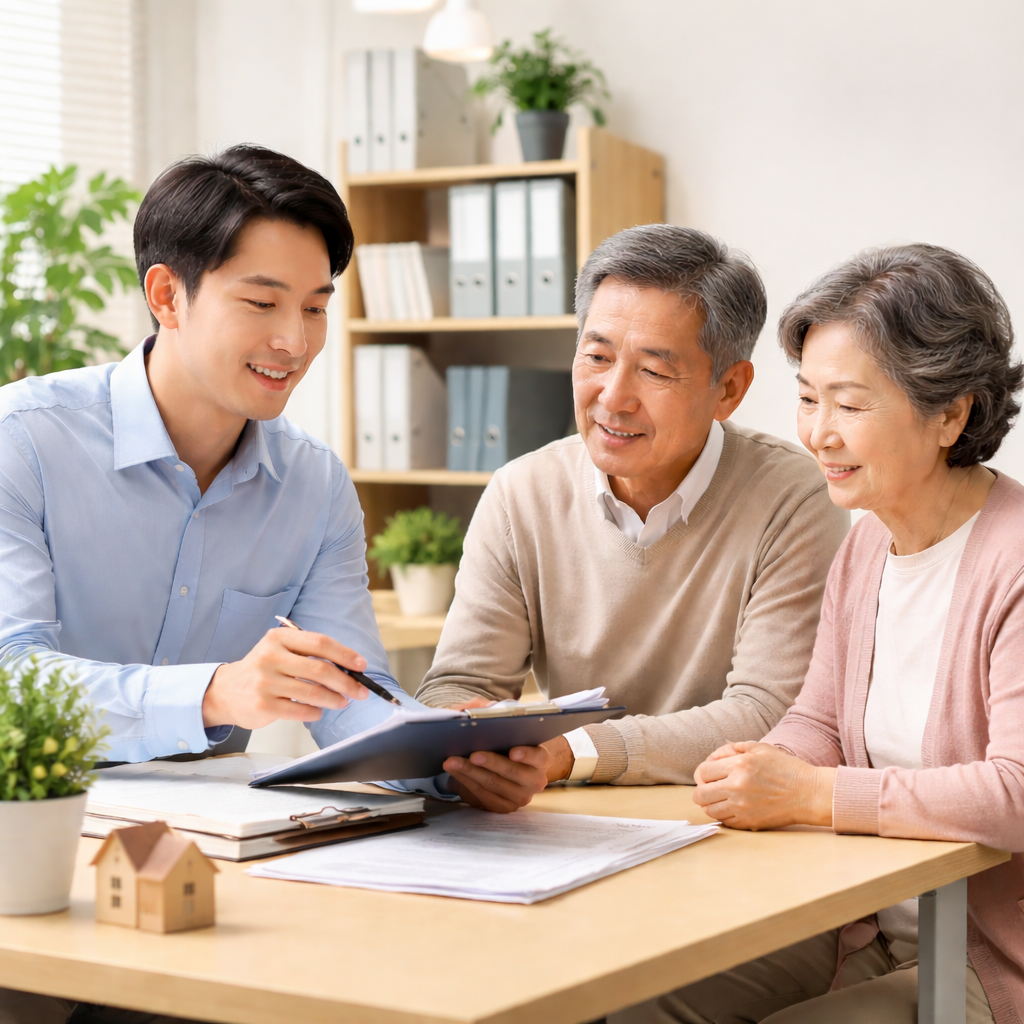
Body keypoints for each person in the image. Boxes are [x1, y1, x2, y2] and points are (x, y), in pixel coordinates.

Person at [0, 145, 479, 1024]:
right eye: (262, 303)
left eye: (315, 307)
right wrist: (216, 693)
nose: (294, 341)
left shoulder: (314, 484)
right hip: (28, 846)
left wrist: (449, 757)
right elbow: (11, 681)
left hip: (210, 861)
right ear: (166, 296)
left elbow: (351, 692)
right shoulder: (23, 441)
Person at [617, 244, 1024, 1024]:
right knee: (642, 1001)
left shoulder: (1013, 561)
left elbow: (1014, 792)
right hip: (865, 922)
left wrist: (812, 794)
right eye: (809, 399)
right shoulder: (868, 542)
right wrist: (761, 766)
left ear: (952, 413)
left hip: (986, 954)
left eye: (849, 405)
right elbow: (820, 719)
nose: (818, 433)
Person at [417, 225, 850, 812]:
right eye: (597, 357)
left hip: (722, 820)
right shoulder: (521, 493)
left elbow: (768, 713)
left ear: (729, 388)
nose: (613, 397)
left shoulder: (793, 497)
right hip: (562, 821)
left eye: (654, 370)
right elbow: (460, 685)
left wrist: (574, 752)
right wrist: (465, 747)